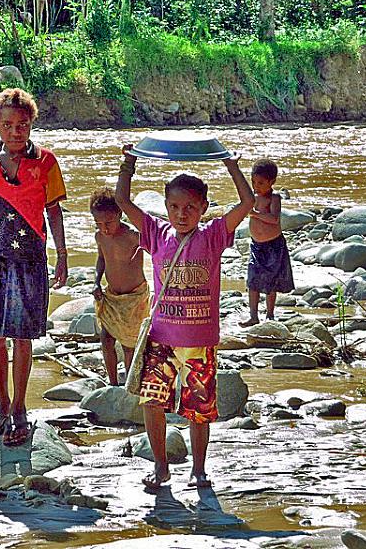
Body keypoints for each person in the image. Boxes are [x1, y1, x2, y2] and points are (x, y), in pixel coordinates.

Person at [115, 147, 254, 489]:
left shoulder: (213, 236)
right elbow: (121, 199)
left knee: (199, 409)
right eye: (175, 207)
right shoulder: (155, 233)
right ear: (166, 208)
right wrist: (129, 163)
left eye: (191, 207)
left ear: (204, 209)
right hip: (161, 338)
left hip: (198, 343)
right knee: (152, 402)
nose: (182, 214)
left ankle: (199, 469)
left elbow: (248, 203)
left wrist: (230, 164)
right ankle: (161, 467)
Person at [0, 88, 68, 446]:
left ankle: (20, 408)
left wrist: (62, 254)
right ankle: (1, 405)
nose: (15, 131)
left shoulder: (46, 163)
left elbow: (53, 211)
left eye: (22, 125)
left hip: (29, 259)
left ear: (32, 124)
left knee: (22, 337)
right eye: (8, 125)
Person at [90, 187, 150, 385]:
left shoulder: (133, 236)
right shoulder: (100, 237)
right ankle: (113, 382)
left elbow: (157, 252)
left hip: (134, 298)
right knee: (106, 339)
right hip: (112, 296)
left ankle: (130, 383)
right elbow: (101, 259)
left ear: (119, 214)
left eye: (108, 222)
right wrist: (96, 281)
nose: (104, 228)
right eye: (98, 224)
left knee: (128, 344)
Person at [239, 158, 294, 327]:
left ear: (272, 182)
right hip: (257, 245)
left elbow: (274, 218)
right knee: (253, 281)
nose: (256, 186)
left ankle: (270, 314)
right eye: (253, 182)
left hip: (273, 245)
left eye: (261, 183)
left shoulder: (274, 198)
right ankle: (253, 315)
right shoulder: (252, 198)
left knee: (271, 281)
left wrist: (254, 213)